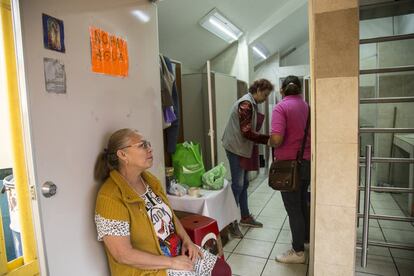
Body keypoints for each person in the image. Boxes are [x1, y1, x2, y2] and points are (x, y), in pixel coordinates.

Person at [94, 128, 231, 276]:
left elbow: (171, 216)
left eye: (148, 144)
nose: (150, 149)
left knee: (222, 270)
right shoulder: (110, 197)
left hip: (174, 251)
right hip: (148, 269)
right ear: (122, 155)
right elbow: (122, 254)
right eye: (142, 145)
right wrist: (172, 263)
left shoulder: (150, 181)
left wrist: (187, 241)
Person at [222, 79, 274, 238]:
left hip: (241, 147)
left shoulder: (251, 103)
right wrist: (268, 139)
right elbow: (246, 132)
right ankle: (229, 223)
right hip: (235, 148)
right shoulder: (245, 104)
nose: (265, 99)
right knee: (237, 185)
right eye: (264, 95)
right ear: (257, 90)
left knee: (244, 184)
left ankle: (244, 217)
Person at [269, 75, 310, 264]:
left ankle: (298, 251)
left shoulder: (281, 107)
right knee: (302, 203)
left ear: (282, 90)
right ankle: (306, 239)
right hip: (307, 163)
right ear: (300, 89)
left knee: (293, 209)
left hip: (288, 167)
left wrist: (269, 140)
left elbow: (276, 139)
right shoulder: (307, 107)